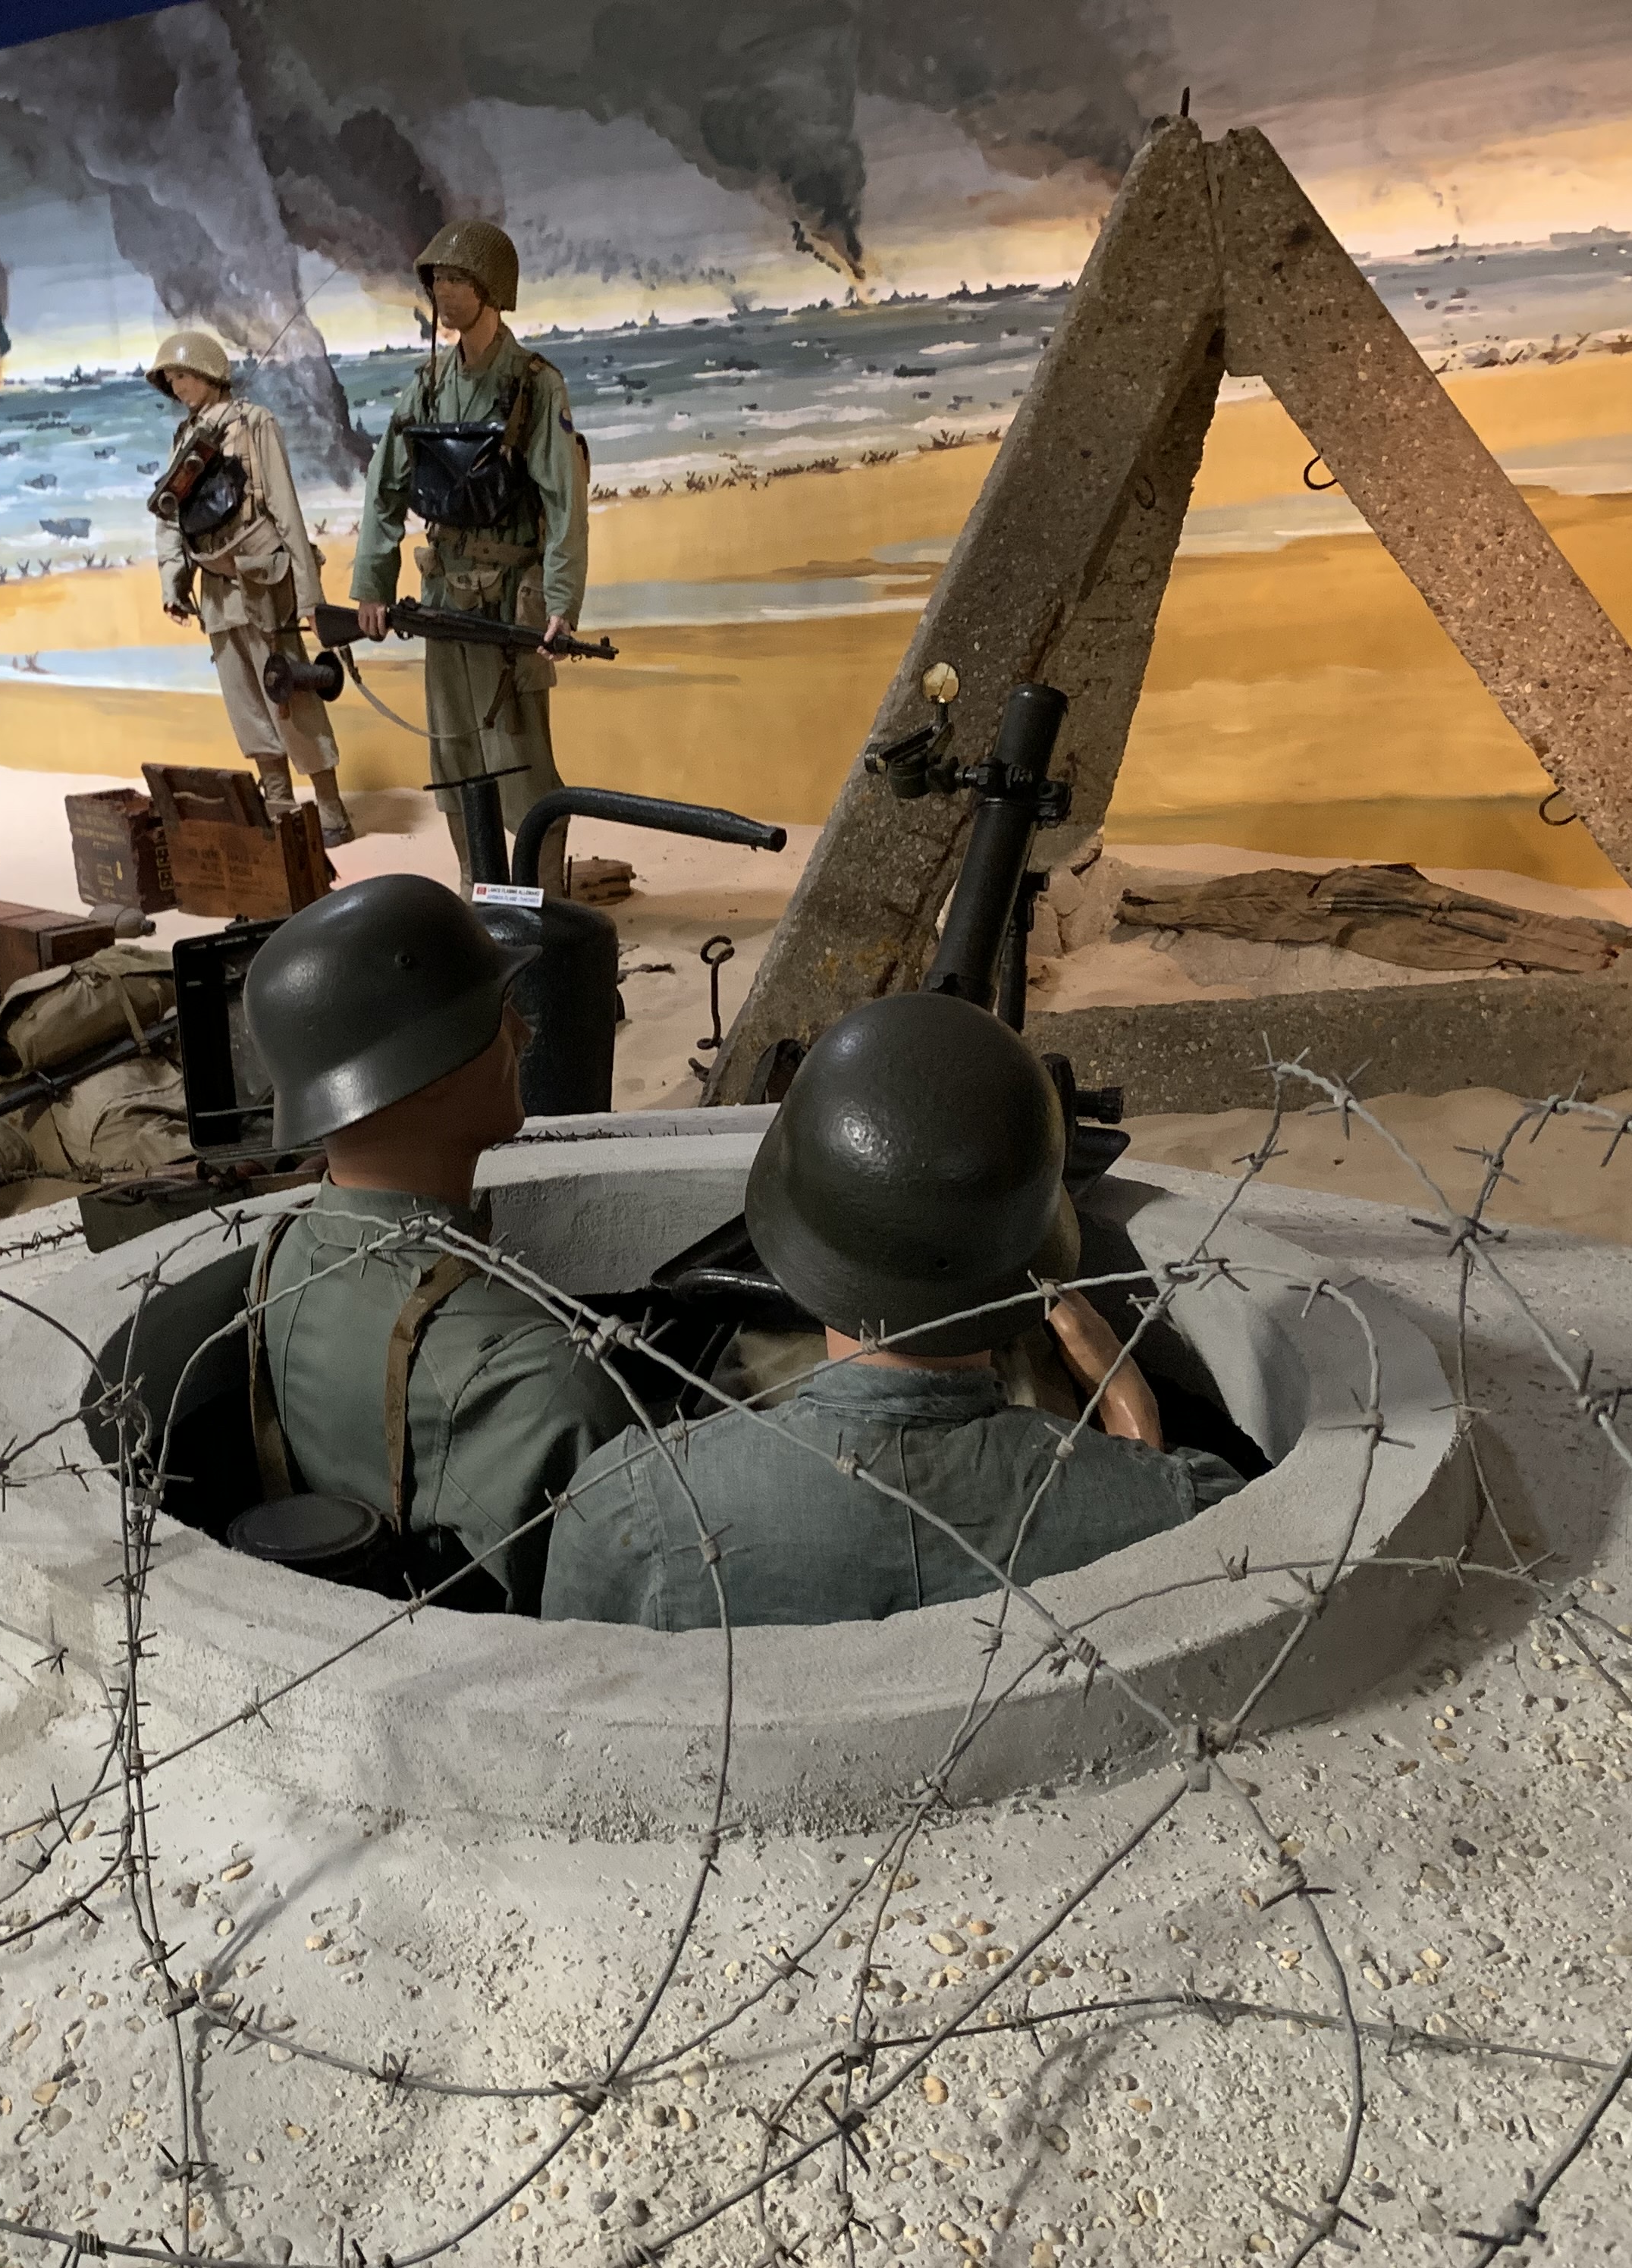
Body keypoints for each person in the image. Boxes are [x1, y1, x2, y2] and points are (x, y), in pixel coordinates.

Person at [542, 995, 1242, 1631]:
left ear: (793, 1235)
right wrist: (1132, 1424)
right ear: (1035, 1259)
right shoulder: (1185, 1506)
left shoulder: (624, 1509)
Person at [241, 874, 630, 1608]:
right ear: (430, 1071)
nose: (523, 1032)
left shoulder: (282, 1261)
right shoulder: (540, 1387)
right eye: (499, 1009)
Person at [347, 221, 587, 900]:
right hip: (444, 598)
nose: (443, 294)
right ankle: (475, 889)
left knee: (522, 754)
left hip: (510, 603)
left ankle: (541, 901)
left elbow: (564, 502)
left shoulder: (534, 384)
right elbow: (385, 489)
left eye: (457, 280)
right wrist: (373, 583)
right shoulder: (426, 386)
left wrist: (562, 603)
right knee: (452, 751)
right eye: (437, 282)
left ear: (491, 288)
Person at [148, 331, 356, 849]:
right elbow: (170, 517)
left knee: (293, 700)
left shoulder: (254, 423)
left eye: (183, 375)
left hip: (264, 585)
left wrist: (310, 599)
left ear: (208, 372)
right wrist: (173, 582)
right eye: (170, 379)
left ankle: (331, 812)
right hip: (217, 592)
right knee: (246, 706)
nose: (177, 387)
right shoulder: (184, 439)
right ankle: (280, 808)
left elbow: (286, 512)